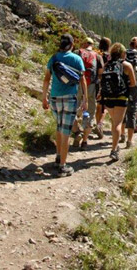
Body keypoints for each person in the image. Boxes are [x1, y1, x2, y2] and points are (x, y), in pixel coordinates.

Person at [42, 34, 86, 177]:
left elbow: (47, 79)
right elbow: (82, 80)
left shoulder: (54, 58)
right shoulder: (77, 59)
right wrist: (85, 98)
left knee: (59, 127)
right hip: (69, 99)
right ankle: (62, 166)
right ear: (72, 44)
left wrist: (44, 98)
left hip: (54, 98)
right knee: (66, 131)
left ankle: (58, 156)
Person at [99, 42, 136, 161]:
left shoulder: (106, 65)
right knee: (118, 123)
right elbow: (134, 83)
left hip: (108, 97)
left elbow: (101, 80)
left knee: (114, 121)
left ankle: (115, 145)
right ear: (123, 53)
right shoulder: (126, 65)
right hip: (121, 97)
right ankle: (114, 150)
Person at [73, 38, 103, 150]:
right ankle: (85, 141)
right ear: (91, 45)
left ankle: (77, 132)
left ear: (84, 44)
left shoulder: (77, 52)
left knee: (73, 109)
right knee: (89, 112)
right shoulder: (97, 56)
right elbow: (100, 73)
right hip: (91, 86)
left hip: (77, 84)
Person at [94, 37, 111, 139]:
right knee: (105, 107)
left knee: (98, 105)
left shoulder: (96, 54)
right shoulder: (108, 56)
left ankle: (97, 124)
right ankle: (99, 124)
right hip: (105, 82)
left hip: (95, 82)